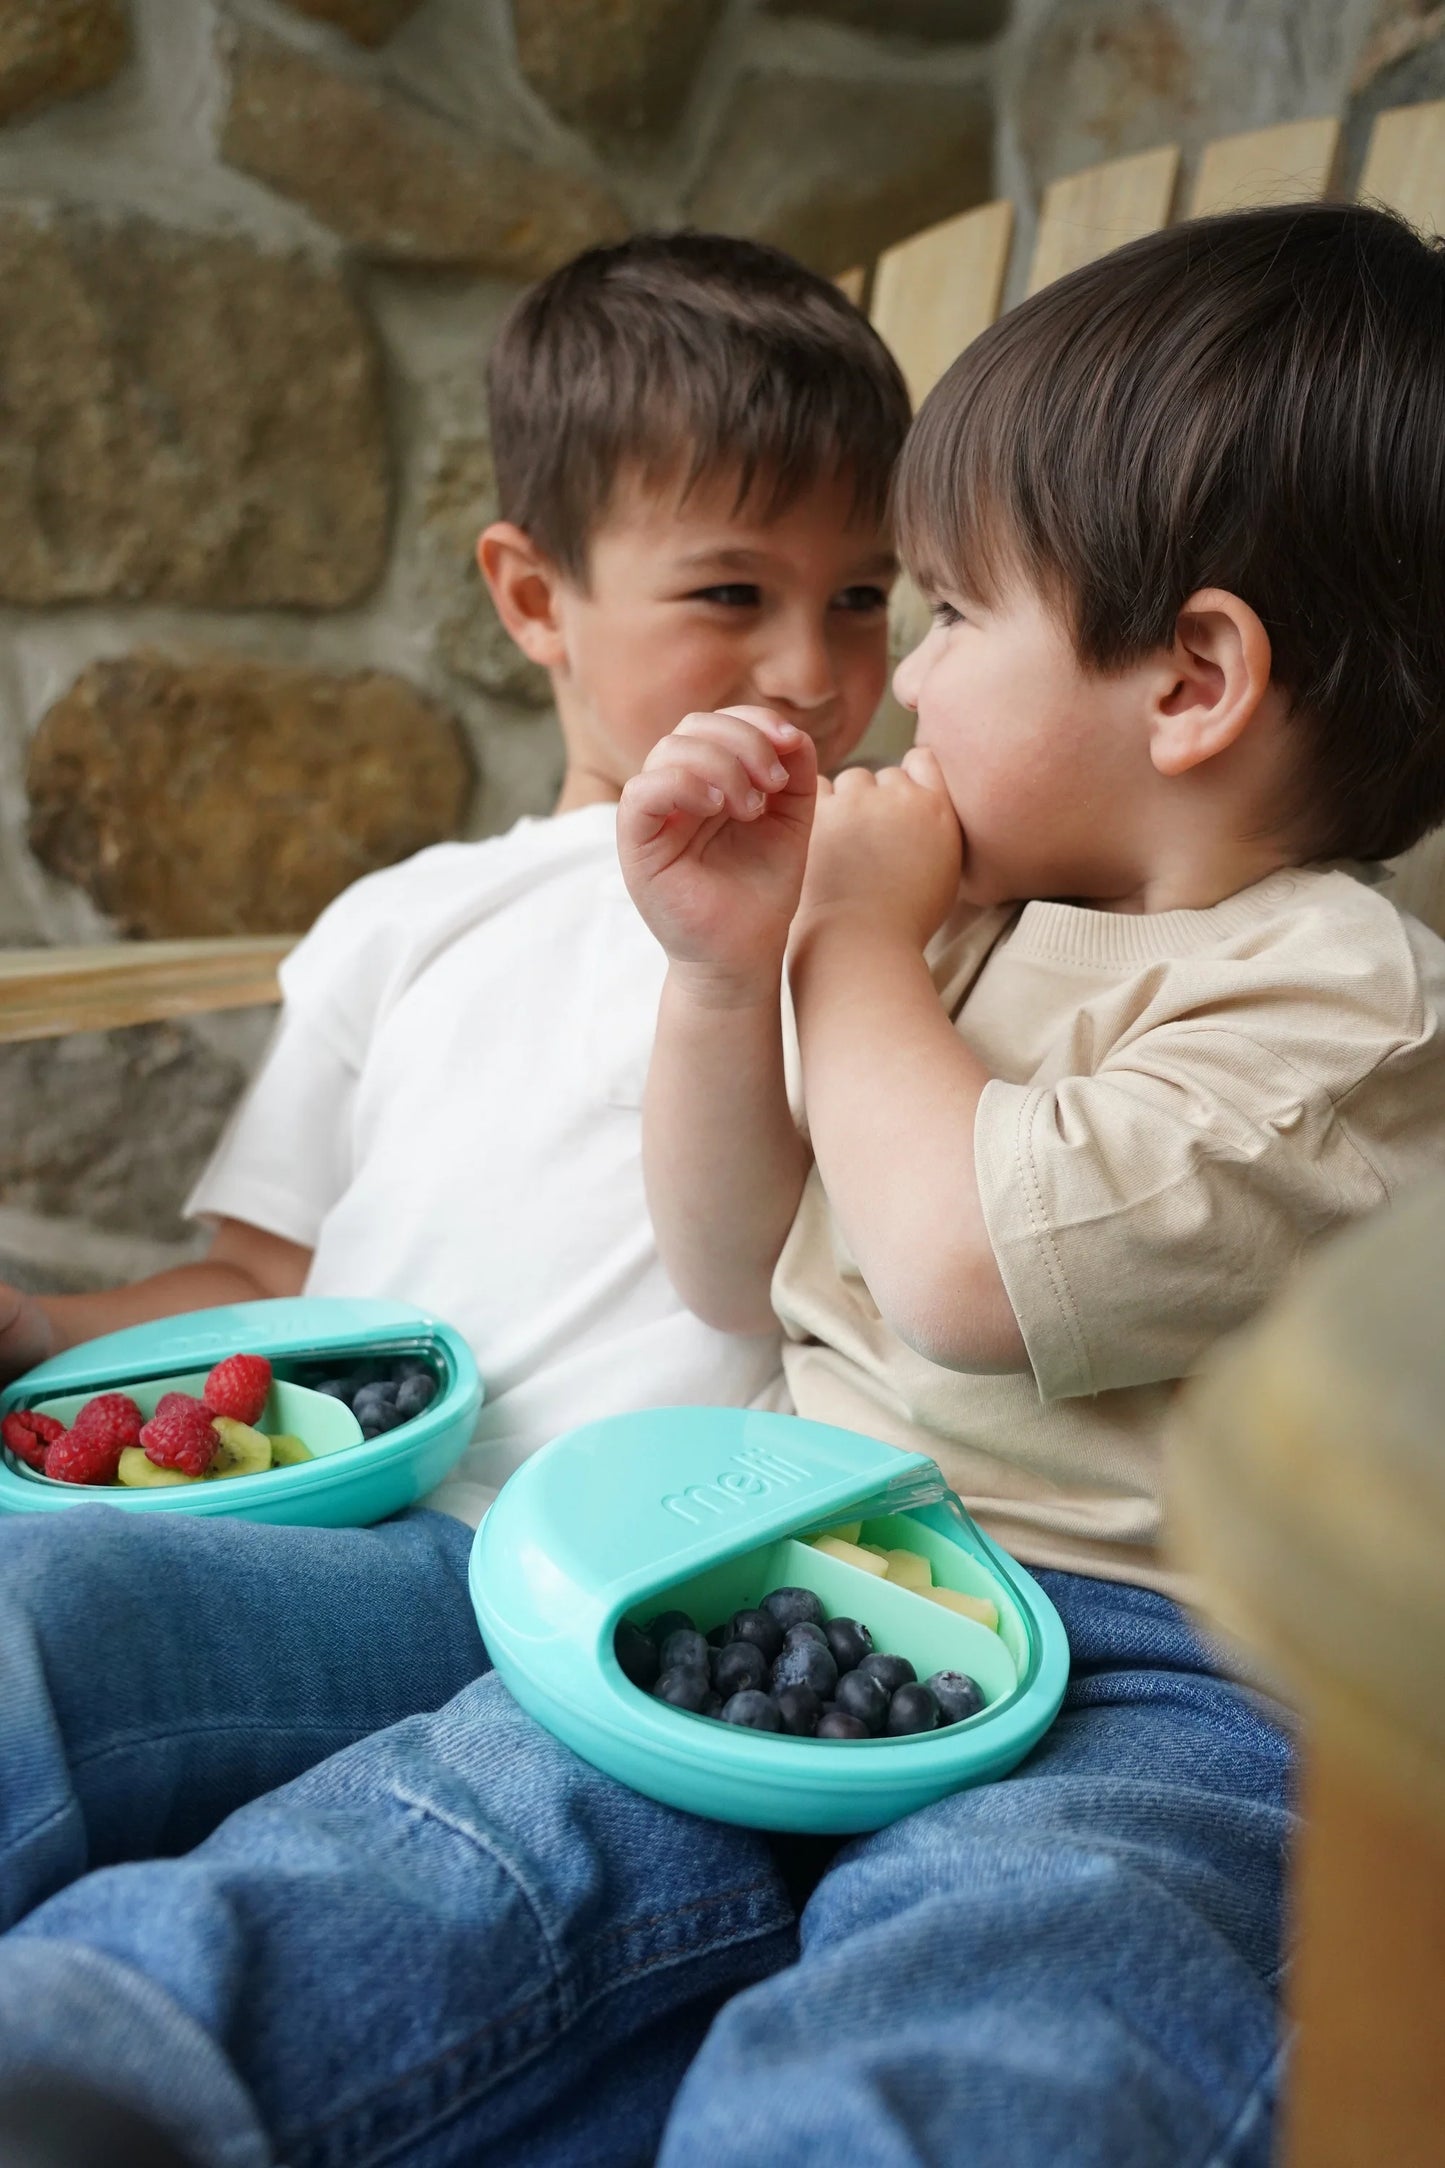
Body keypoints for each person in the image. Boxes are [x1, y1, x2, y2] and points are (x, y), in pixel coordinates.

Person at [4, 200, 1444, 2168]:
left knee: (1034, 1955)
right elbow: (729, 1250)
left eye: (944, 611)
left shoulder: (1338, 997)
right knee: (477, 1822)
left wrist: (845, 944)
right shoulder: (970, 926)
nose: (899, 690)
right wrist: (717, 965)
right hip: (791, 1556)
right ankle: (129, 2050)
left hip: (1144, 1664)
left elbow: (962, 1268)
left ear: (1190, 677)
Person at [0, 232, 907, 1930]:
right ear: (532, 597)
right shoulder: (402, 921)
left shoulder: (868, 886)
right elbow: (263, 1287)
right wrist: (43, 1327)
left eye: (862, 593)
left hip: (553, 1563)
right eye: (732, 594)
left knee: (34, 1623)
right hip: (299, 1505)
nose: (812, 669)